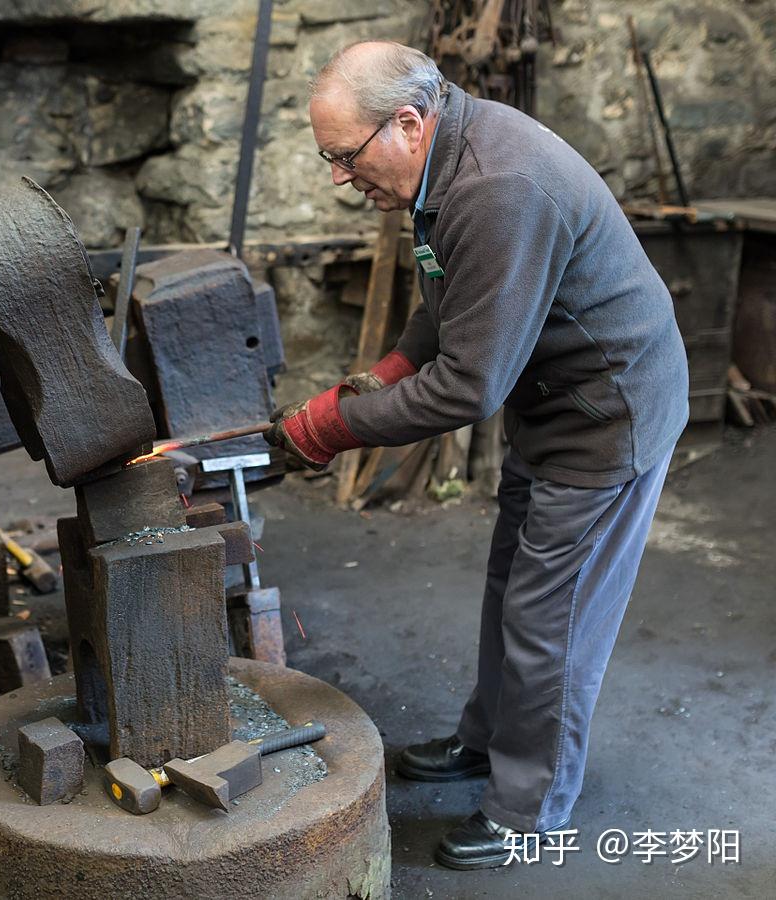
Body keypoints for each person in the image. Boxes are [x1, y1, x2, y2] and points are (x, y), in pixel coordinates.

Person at [266, 41, 689, 870]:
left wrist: (326, 430)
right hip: (555, 400)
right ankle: (487, 741)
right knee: (513, 585)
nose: (339, 178)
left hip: (607, 416)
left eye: (344, 158)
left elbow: (468, 387)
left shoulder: (498, 187)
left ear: (409, 122)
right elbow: (449, 295)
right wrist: (389, 370)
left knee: (550, 618)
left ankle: (531, 808)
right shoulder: (442, 164)